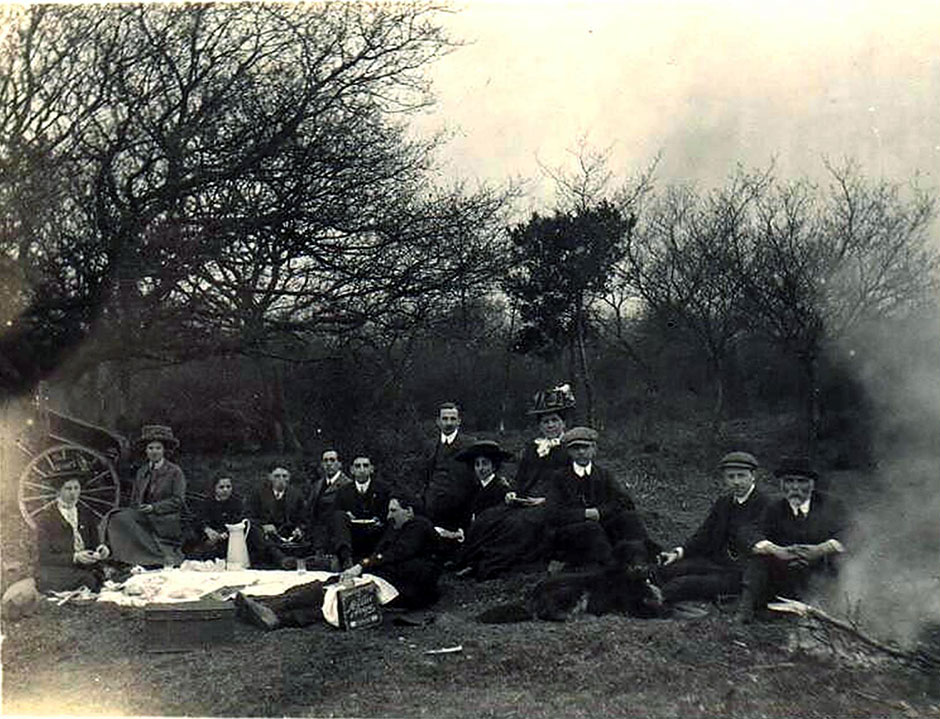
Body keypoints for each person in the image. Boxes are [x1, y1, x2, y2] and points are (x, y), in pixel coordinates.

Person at [738, 456, 849, 622]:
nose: (795, 487)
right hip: (784, 571)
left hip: (821, 571)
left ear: (813, 483)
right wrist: (777, 551)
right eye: (789, 481)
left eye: (802, 481)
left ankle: (836, 610)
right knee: (757, 559)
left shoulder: (831, 504)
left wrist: (821, 549)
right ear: (781, 484)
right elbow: (748, 532)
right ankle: (747, 613)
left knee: (844, 560)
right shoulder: (772, 506)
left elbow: (851, 532)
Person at [657, 452, 771, 604]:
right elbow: (704, 534)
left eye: (741, 476)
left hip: (741, 572)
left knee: (683, 584)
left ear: (753, 476)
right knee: (667, 570)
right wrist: (678, 553)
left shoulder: (766, 505)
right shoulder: (724, 503)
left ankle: (653, 600)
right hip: (715, 561)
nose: (736, 482)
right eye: (731, 477)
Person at [546, 426, 660, 570]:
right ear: (569, 452)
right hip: (571, 534)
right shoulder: (560, 477)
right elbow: (552, 513)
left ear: (594, 449)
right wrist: (584, 514)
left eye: (585, 447)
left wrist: (600, 512)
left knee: (629, 518)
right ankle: (611, 569)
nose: (581, 452)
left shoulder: (603, 475)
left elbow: (624, 502)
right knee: (591, 528)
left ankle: (647, 561)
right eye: (575, 448)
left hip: (603, 527)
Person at [101, 425, 186, 567]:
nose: (154, 452)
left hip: (165, 518)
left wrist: (154, 507)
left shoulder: (174, 472)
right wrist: (134, 510)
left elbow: (178, 501)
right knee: (116, 517)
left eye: (158, 448)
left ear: (164, 450)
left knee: (124, 518)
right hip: (144, 515)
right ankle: (123, 556)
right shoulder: (142, 471)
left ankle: (155, 557)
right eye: (150, 448)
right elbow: (135, 497)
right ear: (146, 451)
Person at [452, 440, 538, 579]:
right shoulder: (473, 488)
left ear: (494, 466)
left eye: (485, 463)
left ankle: (476, 564)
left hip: (494, 531)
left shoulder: (501, 488)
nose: (481, 468)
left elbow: (505, 510)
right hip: (475, 531)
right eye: (477, 464)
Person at [341, 493, 442, 609]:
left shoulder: (420, 525)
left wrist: (363, 565)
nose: (389, 516)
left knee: (381, 568)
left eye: (393, 511)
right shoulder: (396, 525)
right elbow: (381, 549)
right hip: (400, 571)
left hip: (417, 577)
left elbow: (398, 552)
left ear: (408, 511)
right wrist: (362, 564)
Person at [36, 474, 111, 592]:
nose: (73, 493)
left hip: (85, 566)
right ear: (58, 492)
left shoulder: (85, 512)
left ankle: (89, 580)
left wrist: (101, 549)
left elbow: (94, 542)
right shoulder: (47, 518)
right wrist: (75, 557)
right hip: (60, 568)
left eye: (76, 488)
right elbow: (45, 557)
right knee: (87, 580)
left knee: (92, 578)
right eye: (68, 489)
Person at [421, 402, 477, 531]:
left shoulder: (470, 444)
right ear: (438, 421)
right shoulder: (430, 445)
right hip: (433, 509)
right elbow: (425, 476)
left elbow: (475, 477)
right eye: (445, 419)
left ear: (459, 421)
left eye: (452, 419)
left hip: (460, 510)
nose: (449, 422)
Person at [513, 384, 576, 498]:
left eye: (554, 420)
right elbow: (521, 477)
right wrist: (513, 493)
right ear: (540, 426)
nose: (550, 425)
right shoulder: (533, 448)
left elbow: (573, 483)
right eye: (545, 422)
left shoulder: (571, 447)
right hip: (528, 498)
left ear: (563, 423)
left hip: (557, 501)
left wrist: (546, 500)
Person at [331, 455, 391, 570]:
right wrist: (346, 515)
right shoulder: (343, 491)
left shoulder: (383, 489)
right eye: (358, 466)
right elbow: (335, 512)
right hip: (353, 534)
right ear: (352, 470)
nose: (362, 469)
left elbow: (387, 512)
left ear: (371, 469)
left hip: (374, 533)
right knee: (338, 516)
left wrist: (380, 519)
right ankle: (346, 558)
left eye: (365, 466)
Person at [246, 466, 307, 569]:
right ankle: (281, 559)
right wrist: (263, 525)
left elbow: (304, 518)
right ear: (270, 477)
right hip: (264, 535)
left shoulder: (296, 495)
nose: (281, 480)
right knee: (254, 529)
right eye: (277, 476)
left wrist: (299, 529)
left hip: (287, 534)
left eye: (284, 476)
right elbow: (248, 516)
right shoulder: (258, 493)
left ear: (289, 478)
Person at [305, 449, 352, 558]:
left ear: (339, 464)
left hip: (336, 539)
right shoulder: (317, 485)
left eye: (332, 460)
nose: (329, 464)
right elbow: (310, 510)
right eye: (325, 461)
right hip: (317, 539)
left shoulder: (348, 485)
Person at [184, 476, 245, 560]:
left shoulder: (237, 503)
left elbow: (239, 521)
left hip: (230, 538)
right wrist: (207, 529)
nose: (225, 490)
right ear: (214, 488)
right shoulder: (207, 503)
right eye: (221, 487)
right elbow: (197, 520)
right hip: (208, 537)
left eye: (228, 487)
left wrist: (224, 533)